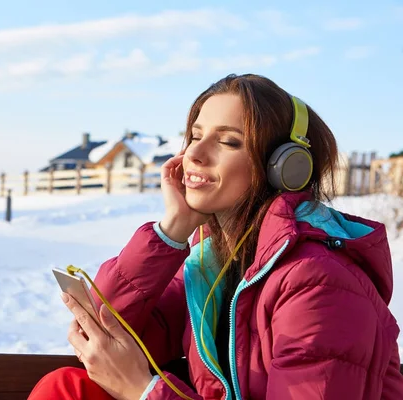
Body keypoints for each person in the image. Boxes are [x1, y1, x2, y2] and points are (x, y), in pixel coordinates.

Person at [28, 73, 403, 399]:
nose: (194, 154)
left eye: (228, 142)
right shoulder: (212, 264)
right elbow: (103, 331)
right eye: (194, 136)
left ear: (285, 166)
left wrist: (142, 391)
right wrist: (173, 228)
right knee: (66, 388)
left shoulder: (318, 282)